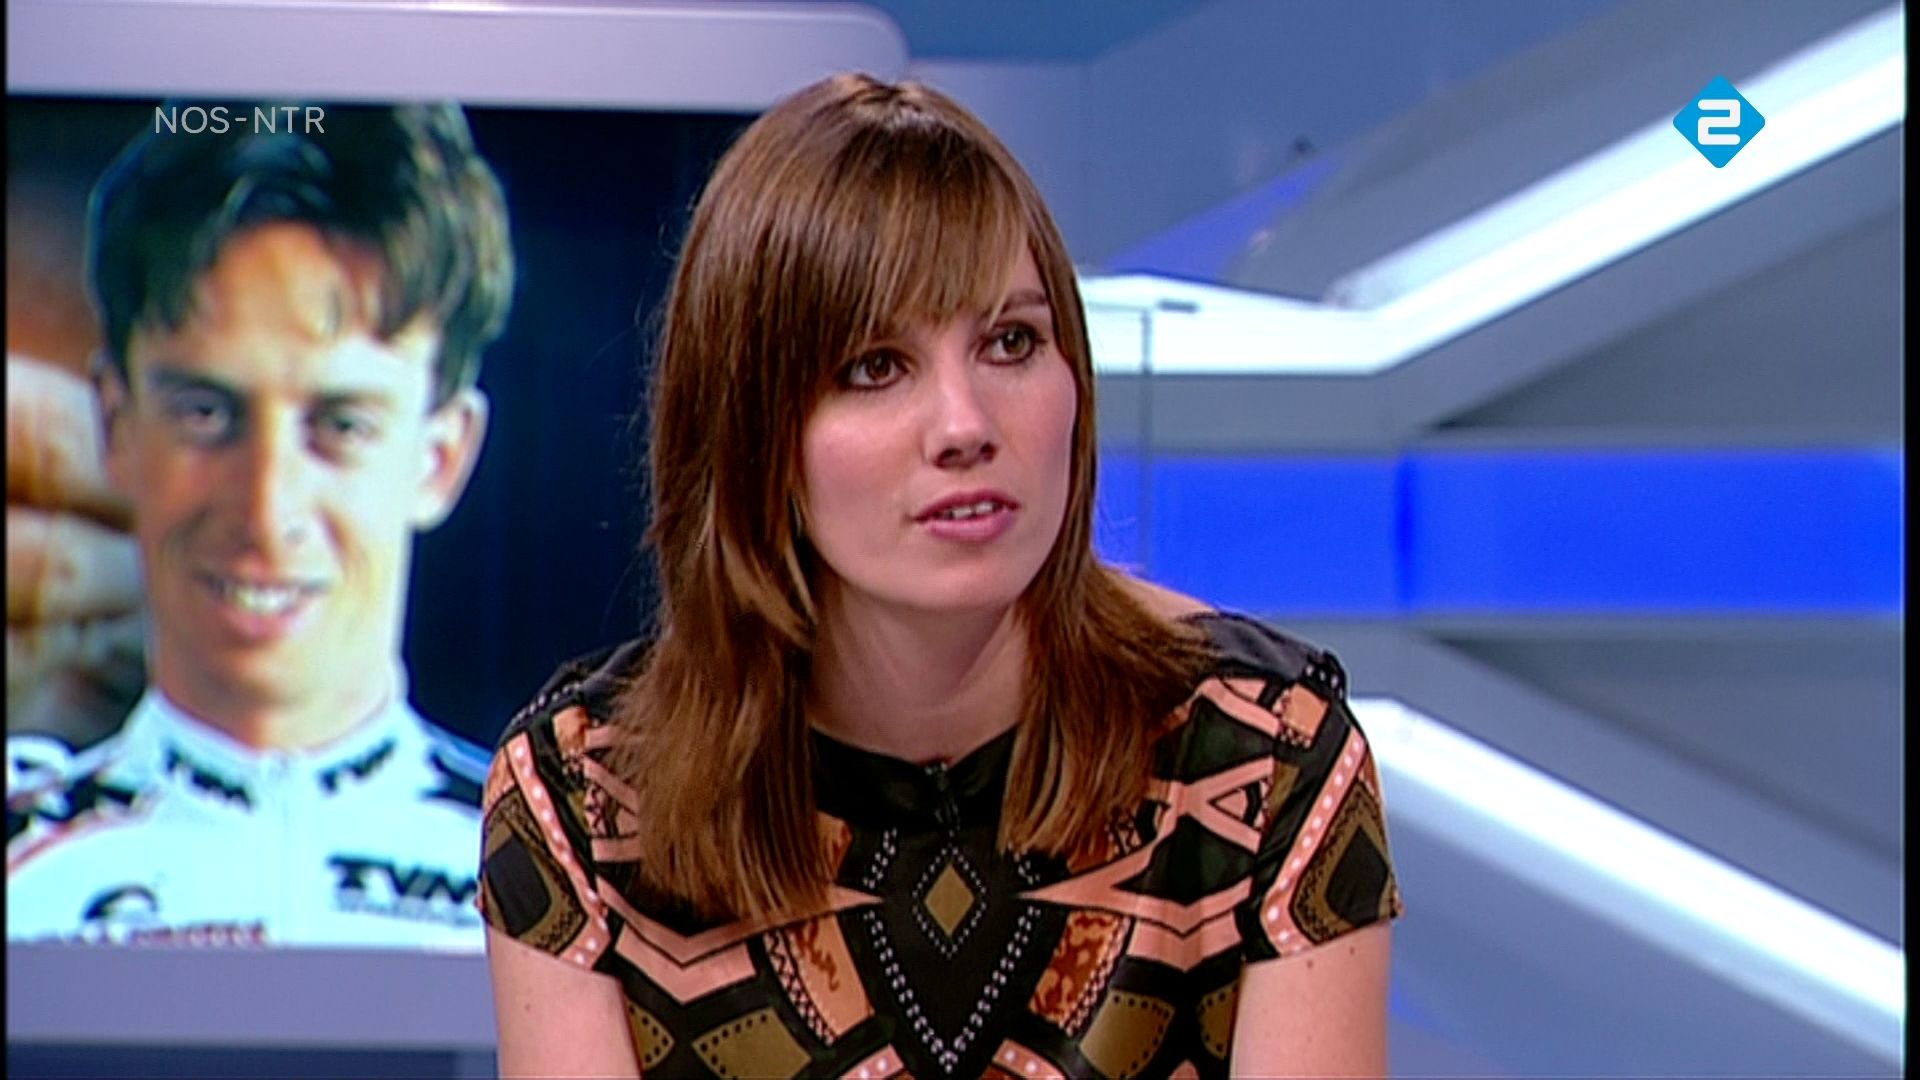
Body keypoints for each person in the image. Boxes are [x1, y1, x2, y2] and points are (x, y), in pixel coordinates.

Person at [480, 73, 1401, 1077]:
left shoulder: (1264, 762)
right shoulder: (587, 800)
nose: (966, 426)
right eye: (876, 365)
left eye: (1011, 342)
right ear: (752, 431)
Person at [5, 102, 515, 950]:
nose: (267, 515)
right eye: (206, 413)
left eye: (340, 425)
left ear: (441, 457)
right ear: (116, 426)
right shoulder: (23, 858)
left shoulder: (569, 873)